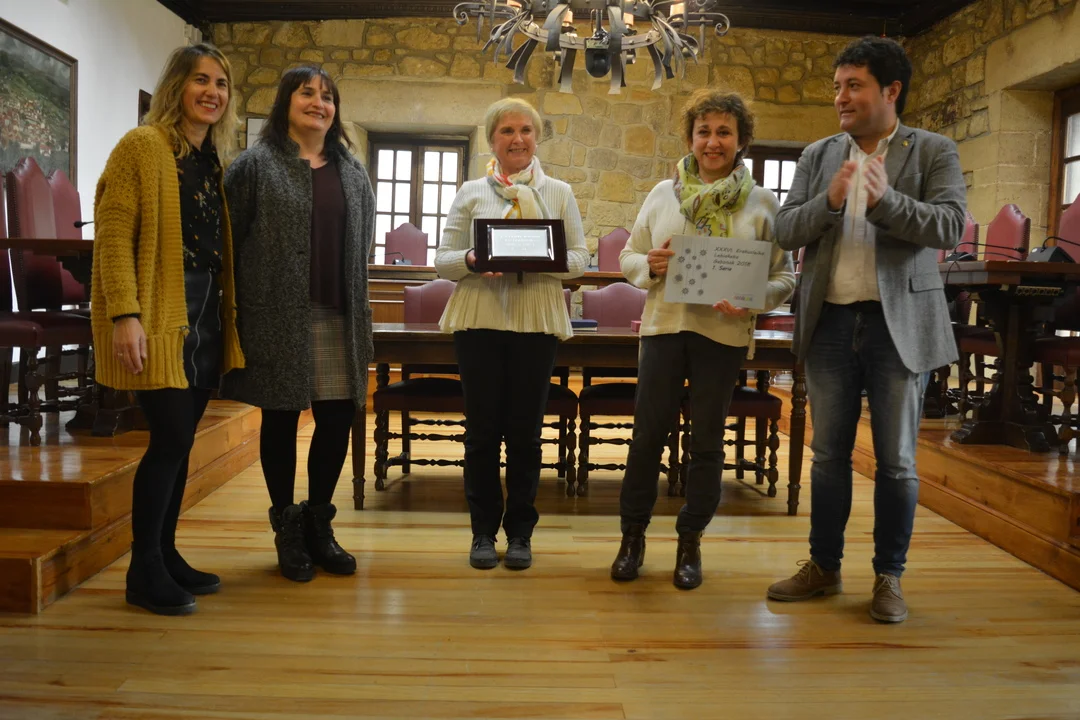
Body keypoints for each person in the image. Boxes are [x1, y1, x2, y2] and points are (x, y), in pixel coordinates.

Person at [766, 37, 966, 623]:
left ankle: (888, 576)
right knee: (828, 455)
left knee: (897, 460)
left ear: (891, 90)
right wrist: (829, 201)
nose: (841, 98)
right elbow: (785, 230)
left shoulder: (933, 150)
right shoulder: (818, 155)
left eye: (853, 86)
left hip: (897, 326)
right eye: (837, 87)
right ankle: (823, 567)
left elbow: (949, 227)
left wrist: (884, 202)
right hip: (829, 321)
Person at [610, 89, 795, 590]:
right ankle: (632, 538)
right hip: (664, 329)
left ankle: (690, 541)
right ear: (690, 137)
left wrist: (753, 299)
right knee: (647, 438)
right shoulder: (662, 194)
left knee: (707, 443)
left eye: (724, 132)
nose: (713, 142)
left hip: (722, 334)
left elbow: (784, 276)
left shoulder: (762, 202)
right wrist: (649, 265)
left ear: (741, 139)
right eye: (704, 131)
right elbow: (629, 257)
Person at [92, 43, 245, 615]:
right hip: (160, 311)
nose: (212, 92)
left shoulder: (209, 160)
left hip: (205, 312)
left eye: (221, 83)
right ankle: (144, 570)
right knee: (171, 439)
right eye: (201, 80)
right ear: (176, 85)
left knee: (181, 443)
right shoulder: (142, 146)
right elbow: (113, 233)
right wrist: (124, 314)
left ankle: (166, 552)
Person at [223, 67, 375, 583]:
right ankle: (286, 527)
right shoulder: (255, 165)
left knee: (336, 418)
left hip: (339, 315)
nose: (318, 103)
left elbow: (362, 245)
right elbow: (230, 239)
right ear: (285, 102)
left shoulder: (352, 171)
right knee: (282, 417)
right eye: (306, 93)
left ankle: (318, 523)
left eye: (327, 96)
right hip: (277, 314)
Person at [435, 98, 589, 571]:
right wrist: (473, 260)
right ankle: (482, 532)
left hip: (535, 324)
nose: (517, 138)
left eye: (525, 130)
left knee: (525, 435)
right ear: (491, 140)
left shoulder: (559, 192)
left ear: (536, 138)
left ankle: (520, 533)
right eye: (506, 130)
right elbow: (442, 260)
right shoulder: (470, 192)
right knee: (481, 435)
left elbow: (580, 261)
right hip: (479, 322)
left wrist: (542, 259)